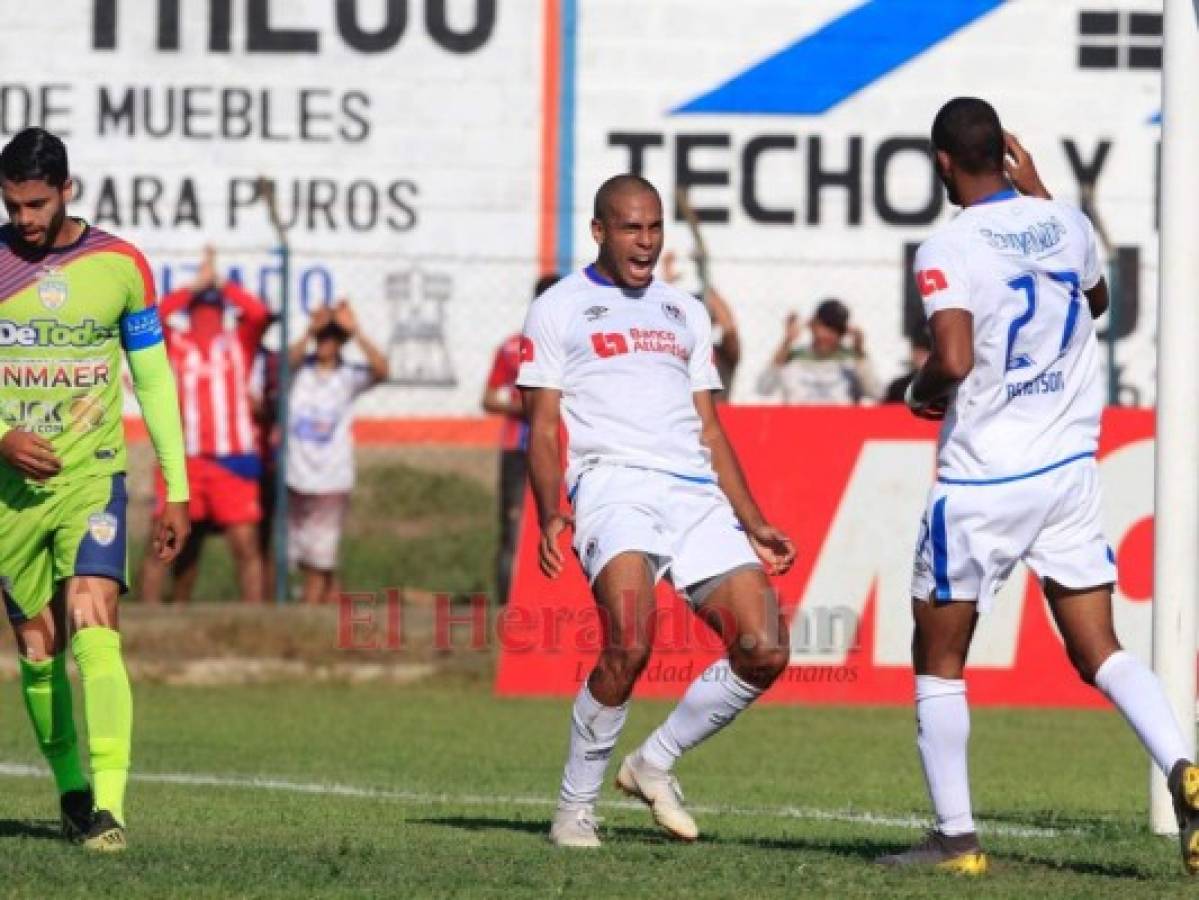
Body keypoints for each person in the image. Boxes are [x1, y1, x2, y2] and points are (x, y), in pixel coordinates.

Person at [879, 98, 1199, 875]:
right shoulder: (1066, 224)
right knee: (1099, 649)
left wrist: (920, 390)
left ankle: (955, 843)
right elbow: (1096, 303)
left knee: (938, 655)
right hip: (1065, 474)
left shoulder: (947, 245)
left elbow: (951, 359)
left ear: (944, 164)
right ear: (1008, 153)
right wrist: (1044, 195)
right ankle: (1182, 767)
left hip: (984, 479)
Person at [518, 174, 796, 849]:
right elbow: (544, 425)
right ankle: (573, 810)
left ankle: (652, 762)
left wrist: (752, 517)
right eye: (630, 228)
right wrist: (551, 508)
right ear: (599, 231)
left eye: (653, 227)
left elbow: (709, 426)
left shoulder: (685, 312)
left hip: (693, 494)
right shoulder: (559, 307)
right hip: (612, 486)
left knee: (764, 649)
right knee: (630, 644)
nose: (644, 242)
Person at [0, 127, 190, 851]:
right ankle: (73, 790)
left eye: (38, 203)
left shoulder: (119, 264)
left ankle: (109, 806)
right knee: (37, 645)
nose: (25, 219)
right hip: (10, 493)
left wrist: (177, 486)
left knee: (92, 620)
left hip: (92, 476)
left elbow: (153, 379)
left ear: (68, 189)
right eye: (13, 204)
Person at [138, 247, 269, 605]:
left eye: (214, 306)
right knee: (164, 543)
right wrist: (195, 285)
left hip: (232, 460)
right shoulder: (177, 344)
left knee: (245, 545)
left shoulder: (237, 343)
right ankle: (149, 620)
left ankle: (253, 622)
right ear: (193, 310)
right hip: (185, 461)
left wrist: (222, 283)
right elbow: (155, 315)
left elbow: (258, 313)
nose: (208, 313)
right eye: (202, 306)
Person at [286, 299, 388, 605]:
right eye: (322, 337)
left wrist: (355, 331)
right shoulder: (299, 375)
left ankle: (307, 619)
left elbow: (382, 370)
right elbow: (282, 365)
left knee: (320, 559)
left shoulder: (348, 377)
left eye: (332, 338)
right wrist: (309, 330)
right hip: (296, 476)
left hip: (331, 479)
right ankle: (329, 605)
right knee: (304, 556)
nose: (325, 343)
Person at [482, 273, 560, 605]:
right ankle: (507, 605)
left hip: (562, 452)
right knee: (514, 527)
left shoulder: (577, 349)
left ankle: (550, 602)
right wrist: (523, 407)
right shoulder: (513, 347)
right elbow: (488, 398)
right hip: (520, 450)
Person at [756, 299, 880, 404]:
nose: (826, 335)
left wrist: (860, 351)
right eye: (822, 327)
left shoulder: (852, 360)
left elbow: (876, 393)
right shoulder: (794, 357)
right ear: (812, 325)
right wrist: (787, 341)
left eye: (834, 331)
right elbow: (763, 388)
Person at [660, 250, 741, 402]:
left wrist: (704, 278)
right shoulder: (676, 351)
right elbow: (659, 323)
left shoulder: (722, 354)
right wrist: (666, 286)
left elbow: (729, 327)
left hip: (718, 418)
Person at [881, 332, 932, 404]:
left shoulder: (946, 388)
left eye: (924, 352)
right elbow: (885, 411)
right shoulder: (898, 387)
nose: (919, 355)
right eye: (916, 350)